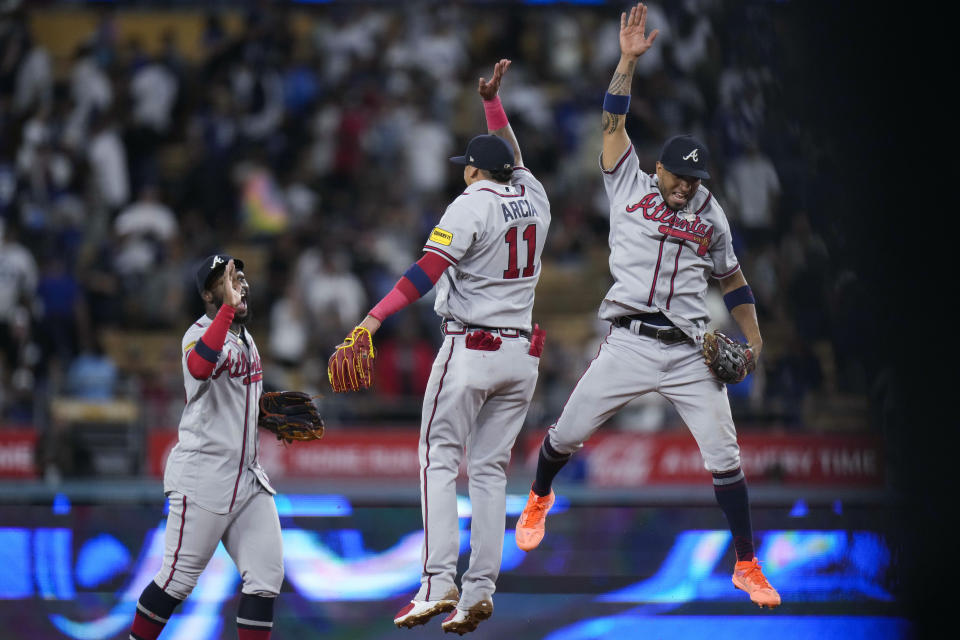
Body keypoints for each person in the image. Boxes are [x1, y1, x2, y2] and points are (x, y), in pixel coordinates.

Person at [514, 3, 781, 609]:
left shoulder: (709, 211)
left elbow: (734, 281)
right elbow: (613, 121)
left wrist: (755, 339)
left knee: (726, 457)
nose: (687, 186)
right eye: (680, 176)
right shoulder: (628, 180)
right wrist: (627, 62)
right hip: (630, 340)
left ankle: (745, 563)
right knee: (566, 434)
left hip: (690, 349)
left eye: (695, 179)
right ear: (659, 168)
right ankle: (538, 498)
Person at [330, 59, 551, 634]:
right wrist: (493, 106)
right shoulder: (535, 197)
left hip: (471, 347)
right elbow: (516, 158)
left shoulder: (472, 203)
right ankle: (481, 588)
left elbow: (428, 268)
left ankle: (437, 581)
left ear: (479, 171)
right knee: (491, 473)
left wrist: (374, 321)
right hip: (522, 354)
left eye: (469, 166)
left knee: (437, 459)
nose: (464, 173)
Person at [129, 255, 283, 640]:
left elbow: (231, 403)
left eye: (240, 276)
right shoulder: (198, 333)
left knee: (265, 577)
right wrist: (228, 311)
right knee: (176, 580)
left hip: (247, 480)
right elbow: (200, 367)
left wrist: (265, 416)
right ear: (206, 295)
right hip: (203, 479)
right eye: (226, 279)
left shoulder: (246, 339)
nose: (238, 283)